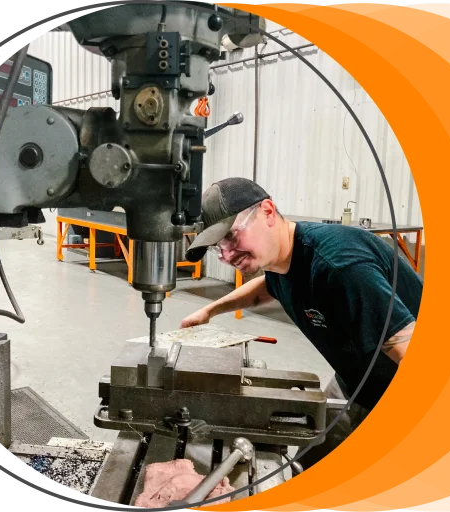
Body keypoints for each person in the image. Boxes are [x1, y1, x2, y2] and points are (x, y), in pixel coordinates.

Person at [180, 177, 423, 471]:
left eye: (231, 237)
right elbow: (269, 286)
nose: (228, 255)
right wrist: (210, 310)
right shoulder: (283, 258)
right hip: (353, 383)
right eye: (218, 248)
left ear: (268, 212)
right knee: (304, 468)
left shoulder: (342, 267)